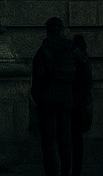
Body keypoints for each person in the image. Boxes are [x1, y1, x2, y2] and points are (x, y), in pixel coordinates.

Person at [31, 17, 78, 176]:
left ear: (49, 30)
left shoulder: (43, 51)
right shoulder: (71, 50)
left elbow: (36, 79)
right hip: (66, 99)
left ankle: (52, 173)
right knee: (65, 140)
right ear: (61, 29)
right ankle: (66, 172)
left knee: (49, 141)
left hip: (48, 100)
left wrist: (39, 97)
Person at [72, 34, 93, 176]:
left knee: (69, 139)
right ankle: (76, 171)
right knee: (78, 140)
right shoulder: (85, 60)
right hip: (82, 103)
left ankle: (71, 170)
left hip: (71, 103)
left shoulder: (72, 59)